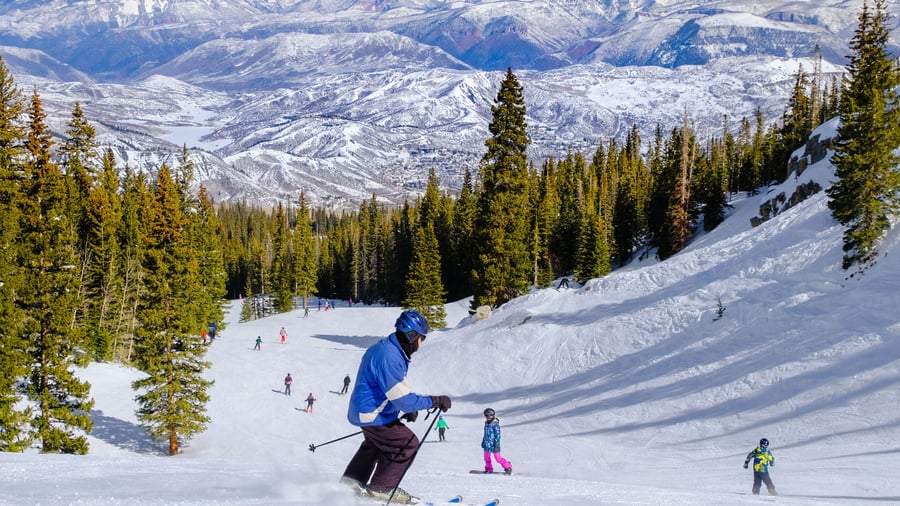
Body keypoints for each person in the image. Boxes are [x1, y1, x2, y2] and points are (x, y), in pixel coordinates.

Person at [340, 310, 452, 504]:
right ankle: (382, 489)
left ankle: (351, 482)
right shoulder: (389, 357)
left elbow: (386, 390)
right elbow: (405, 400)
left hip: (365, 411)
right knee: (407, 443)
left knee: (376, 443)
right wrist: (435, 401)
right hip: (372, 414)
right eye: (421, 338)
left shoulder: (387, 349)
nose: (421, 344)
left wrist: (404, 409)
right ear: (412, 335)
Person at [481, 408, 512, 474]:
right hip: (487, 444)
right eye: (485, 416)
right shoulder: (486, 424)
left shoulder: (495, 425)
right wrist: (483, 441)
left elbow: (498, 435)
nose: (486, 418)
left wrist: (496, 443)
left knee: (498, 458)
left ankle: (508, 466)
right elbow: (485, 434)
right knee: (486, 458)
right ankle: (489, 469)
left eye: (487, 416)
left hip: (495, 445)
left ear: (491, 416)